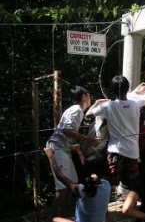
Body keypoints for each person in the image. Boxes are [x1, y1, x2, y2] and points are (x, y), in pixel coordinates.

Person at [44, 86, 100, 221]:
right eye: (88, 94)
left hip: (64, 148)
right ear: (84, 97)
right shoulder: (77, 110)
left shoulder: (77, 110)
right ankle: (52, 218)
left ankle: (61, 216)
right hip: (57, 148)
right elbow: (67, 131)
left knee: (72, 183)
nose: (90, 97)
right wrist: (88, 139)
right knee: (63, 188)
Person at [85, 75, 145, 197]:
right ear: (127, 89)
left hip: (115, 151)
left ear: (112, 90)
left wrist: (97, 102)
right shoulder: (134, 104)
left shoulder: (108, 105)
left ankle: (102, 209)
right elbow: (144, 98)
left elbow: (88, 115)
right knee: (133, 186)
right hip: (133, 152)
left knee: (107, 183)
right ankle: (131, 208)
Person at [44, 149, 111, 222]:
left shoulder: (81, 189)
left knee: (55, 219)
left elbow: (59, 175)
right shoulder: (107, 185)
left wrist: (50, 155)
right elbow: (87, 168)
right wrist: (79, 151)